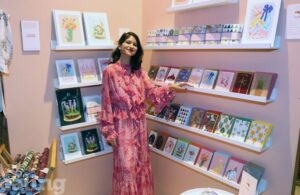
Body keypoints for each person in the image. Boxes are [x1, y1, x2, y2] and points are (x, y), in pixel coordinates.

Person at [99, 32, 187, 195]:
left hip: (139, 125)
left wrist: (171, 87)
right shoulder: (109, 71)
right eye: (128, 42)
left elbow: (152, 93)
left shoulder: (140, 72)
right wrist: (109, 131)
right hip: (122, 126)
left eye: (135, 44)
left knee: (141, 166)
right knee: (126, 168)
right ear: (120, 45)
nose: (131, 46)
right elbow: (106, 103)